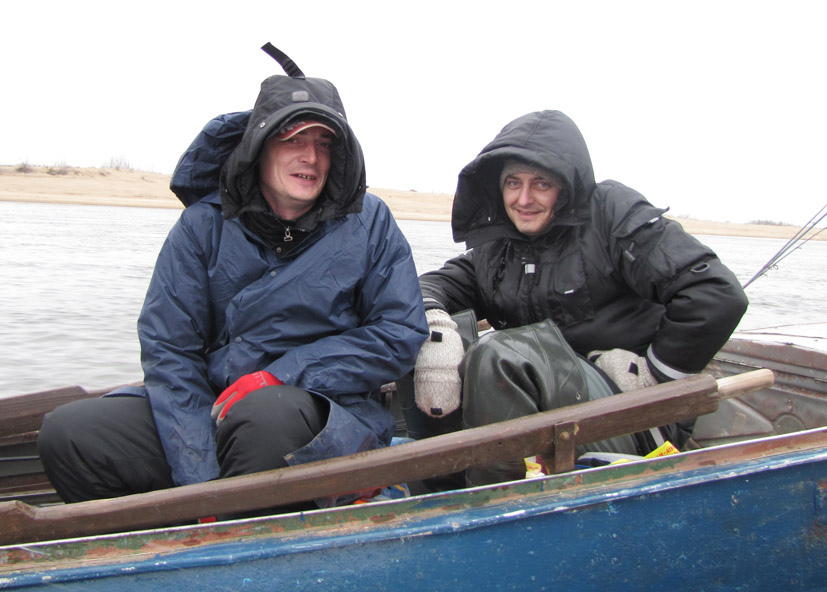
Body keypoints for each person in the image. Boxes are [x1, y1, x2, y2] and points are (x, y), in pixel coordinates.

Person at [37, 50, 429, 510]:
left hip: (327, 413)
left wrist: (279, 376)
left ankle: (251, 529)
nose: (311, 157)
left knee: (264, 417)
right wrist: (201, 480)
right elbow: (170, 352)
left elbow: (399, 334)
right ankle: (190, 536)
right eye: (293, 138)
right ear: (258, 146)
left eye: (325, 143)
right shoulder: (201, 226)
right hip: (214, 407)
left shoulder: (371, 222)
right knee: (70, 433)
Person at [406, 109, 748, 487]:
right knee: (420, 338)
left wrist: (653, 373)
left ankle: (497, 500)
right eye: (513, 183)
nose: (524, 199)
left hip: (632, 414)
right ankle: (437, 489)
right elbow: (428, 286)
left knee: (499, 353)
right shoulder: (498, 247)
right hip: (549, 411)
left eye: (541, 184)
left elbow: (716, 295)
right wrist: (435, 325)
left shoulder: (612, 216)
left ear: (566, 185)